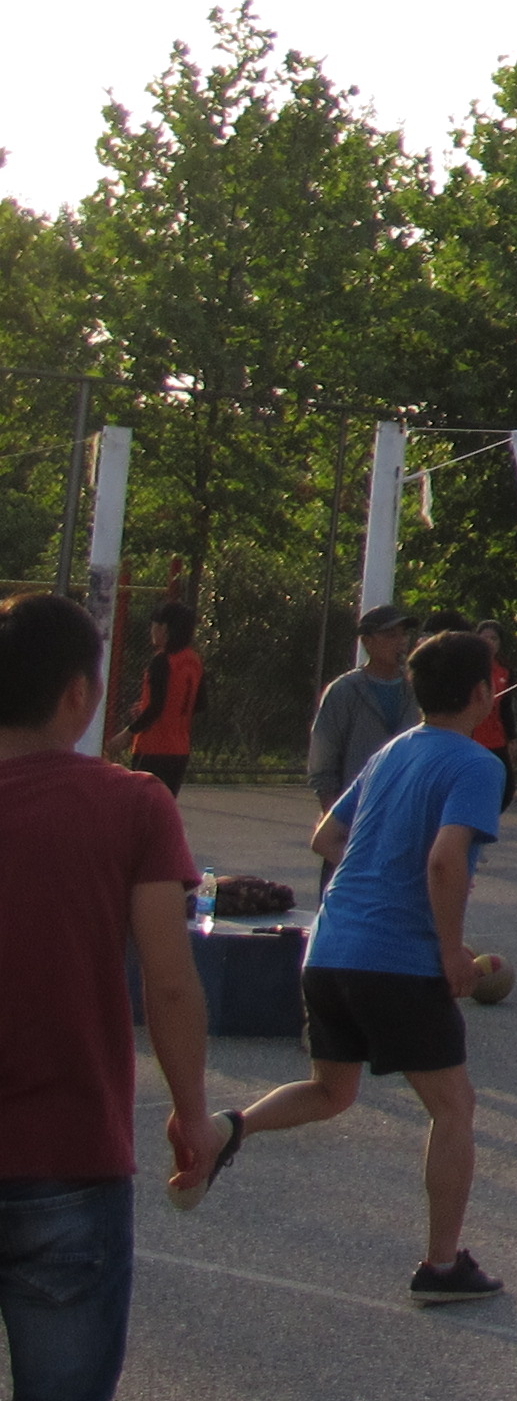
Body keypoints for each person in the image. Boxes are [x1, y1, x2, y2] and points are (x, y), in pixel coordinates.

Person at [197, 630, 509, 1304]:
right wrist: (451, 950)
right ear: (482, 693)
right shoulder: (477, 765)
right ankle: (442, 1267)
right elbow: (445, 861)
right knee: (454, 1107)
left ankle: (231, 1127)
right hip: (395, 961)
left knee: (331, 1091)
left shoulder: (390, 752)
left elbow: (327, 837)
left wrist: (378, 877)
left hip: (331, 947)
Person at [0, 591, 213, 1400]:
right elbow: (170, 982)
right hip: (69, 1154)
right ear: (79, 694)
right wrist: (192, 1114)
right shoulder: (133, 804)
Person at [309, 606, 420, 818]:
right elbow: (323, 760)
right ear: (367, 641)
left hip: (406, 810)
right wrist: (333, 818)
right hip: (358, 810)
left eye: (404, 634)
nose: (401, 641)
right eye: (391, 635)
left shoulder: (416, 688)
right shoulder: (345, 690)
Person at [114, 599, 205, 795]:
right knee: (165, 805)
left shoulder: (162, 661)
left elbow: (156, 708)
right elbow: (199, 704)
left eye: (154, 625)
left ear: (164, 628)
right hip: (180, 751)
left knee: (142, 806)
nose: (151, 630)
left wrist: (127, 734)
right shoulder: (194, 661)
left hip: (153, 748)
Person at [467, 617, 517, 811]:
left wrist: (512, 738)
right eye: (485, 637)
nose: (489, 642)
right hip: (472, 736)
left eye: (494, 639)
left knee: (506, 788)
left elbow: (505, 707)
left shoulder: (504, 671)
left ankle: (485, 816)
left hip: (496, 738)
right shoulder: (469, 668)